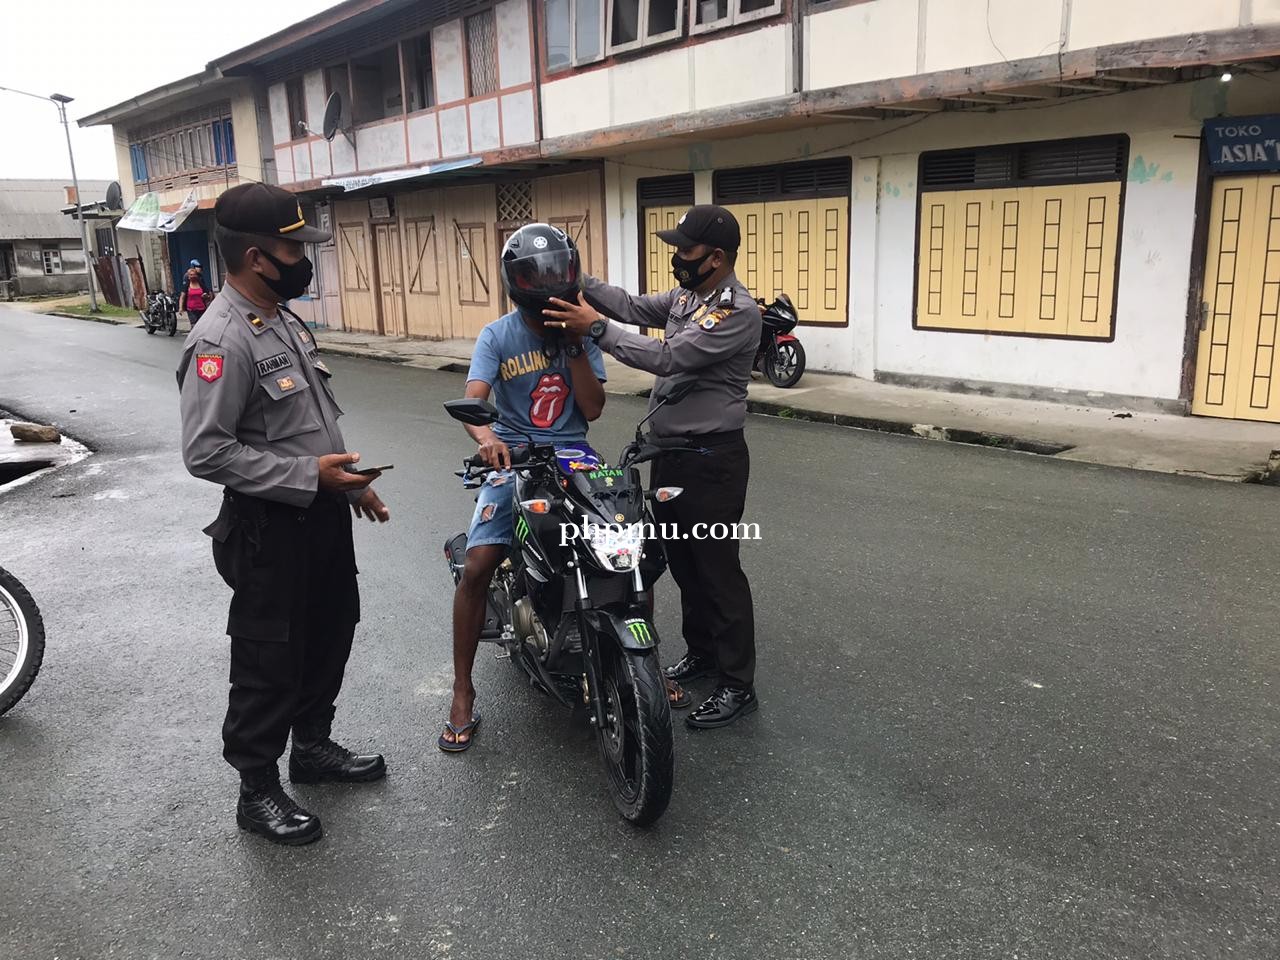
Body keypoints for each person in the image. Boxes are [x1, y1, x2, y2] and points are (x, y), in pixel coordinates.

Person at [176, 181, 390, 846]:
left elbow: (307, 422)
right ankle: (257, 788)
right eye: (292, 247)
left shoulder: (281, 318)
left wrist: (349, 485)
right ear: (255, 257)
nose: (304, 258)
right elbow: (207, 452)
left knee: (332, 628)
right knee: (270, 655)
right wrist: (308, 477)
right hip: (269, 528)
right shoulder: (221, 339)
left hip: (320, 512)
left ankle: (313, 747)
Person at [543, 204, 761, 729]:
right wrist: (580, 278)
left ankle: (737, 684)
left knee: (715, 568)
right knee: (683, 562)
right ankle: (704, 653)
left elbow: (668, 358)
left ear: (716, 258)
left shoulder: (733, 312)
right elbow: (635, 306)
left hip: (711, 460)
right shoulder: (689, 296)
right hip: (670, 455)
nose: (676, 258)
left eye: (685, 251)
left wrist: (596, 330)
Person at [442, 223, 607, 752]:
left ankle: (639, 658)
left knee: (619, 545)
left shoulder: (581, 331)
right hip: (511, 455)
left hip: (574, 452)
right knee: (480, 563)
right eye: (538, 279)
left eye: (557, 274)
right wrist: (487, 437)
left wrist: (578, 343)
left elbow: (594, 409)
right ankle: (463, 691)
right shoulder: (497, 335)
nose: (549, 287)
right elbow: (474, 396)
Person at [180, 259, 211, 330]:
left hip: (201, 306)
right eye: (197, 267)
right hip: (191, 307)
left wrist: (207, 296)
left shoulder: (200, 277)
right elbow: (183, 294)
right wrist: (181, 307)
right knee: (194, 326)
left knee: (203, 325)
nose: (199, 268)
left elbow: (205, 289)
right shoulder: (187, 277)